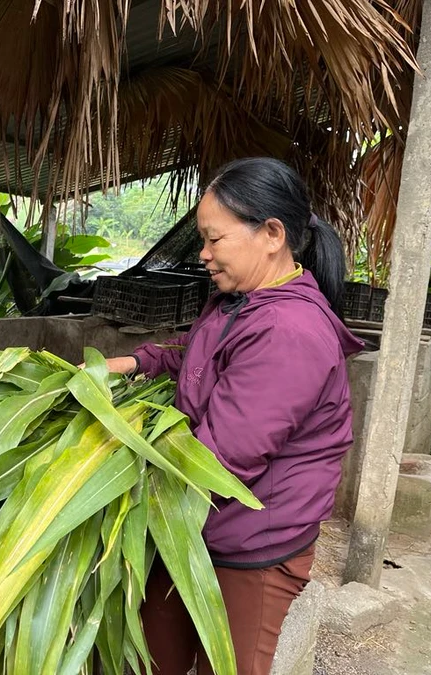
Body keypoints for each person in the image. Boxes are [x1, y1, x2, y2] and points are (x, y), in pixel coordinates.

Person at [105, 157, 364, 675]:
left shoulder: (288, 332)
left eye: (213, 240)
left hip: (252, 547)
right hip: (194, 529)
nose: (202, 254)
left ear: (271, 234)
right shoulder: (240, 302)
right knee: (152, 661)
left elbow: (218, 460)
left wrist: (98, 473)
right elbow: (198, 355)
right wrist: (134, 361)